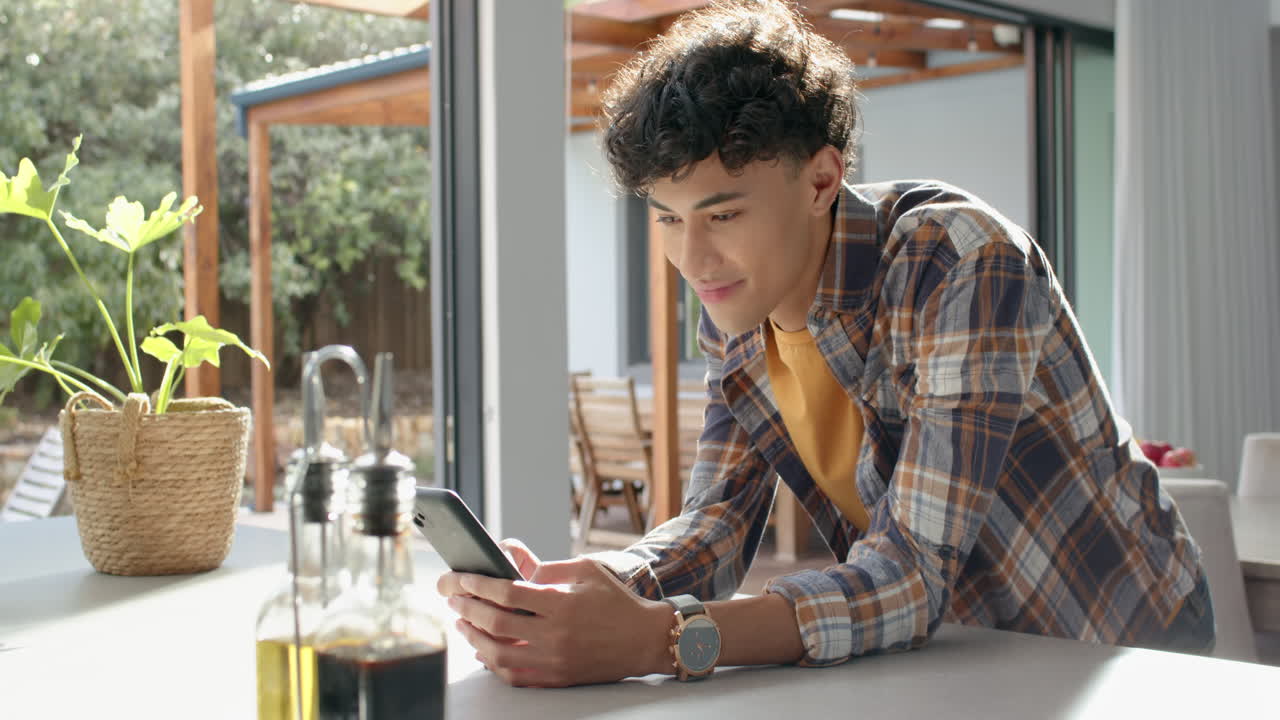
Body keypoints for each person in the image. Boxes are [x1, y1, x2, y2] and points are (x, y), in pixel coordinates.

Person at [438, 0, 1212, 687]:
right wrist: (593, 588)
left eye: (724, 215)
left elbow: (908, 574)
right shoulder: (740, 306)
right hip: (962, 659)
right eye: (669, 218)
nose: (693, 260)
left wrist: (661, 639)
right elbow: (715, 529)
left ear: (820, 181)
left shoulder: (962, 261)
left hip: (1121, 656)